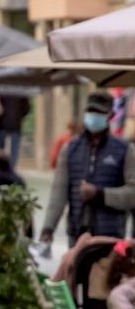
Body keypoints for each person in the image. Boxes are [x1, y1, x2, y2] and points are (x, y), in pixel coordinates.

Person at [41, 91, 135, 244]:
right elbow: (58, 192)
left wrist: (100, 194)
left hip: (110, 235)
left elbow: (132, 194)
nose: (93, 116)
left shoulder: (125, 150)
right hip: (77, 232)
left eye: (98, 112)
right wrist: (48, 228)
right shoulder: (70, 148)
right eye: (90, 111)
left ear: (110, 116)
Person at [0, 95, 30, 167]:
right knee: (14, 150)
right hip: (15, 123)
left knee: (0, 149)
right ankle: (12, 168)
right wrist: (20, 116)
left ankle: (0, 167)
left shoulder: (2, 91)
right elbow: (27, 108)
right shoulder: (20, 92)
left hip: (3, 123)